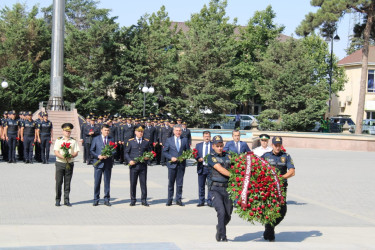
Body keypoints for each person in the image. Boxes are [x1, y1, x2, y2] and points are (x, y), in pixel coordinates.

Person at [260, 136, 295, 242]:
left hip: (281, 188)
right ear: (272, 145)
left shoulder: (286, 156)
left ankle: (268, 228)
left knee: (282, 211)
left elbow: (292, 172)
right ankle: (270, 234)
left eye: (279, 145)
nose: (278, 147)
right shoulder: (266, 156)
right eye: (276, 145)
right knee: (271, 210)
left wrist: (280, 178)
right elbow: (258, 169)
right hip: (269, 188)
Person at [206, 135, 232, 242]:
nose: (220, 148)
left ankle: (219, 227)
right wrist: (234, 176)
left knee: (228, 215)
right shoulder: (210, 157)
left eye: (221, 146)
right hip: (215, 189)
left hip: (228, 189)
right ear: (213, 146)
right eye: (217, 146)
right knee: (221, 211)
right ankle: (223, 235)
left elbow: (238, 165)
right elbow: (220, 169)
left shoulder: (229, 156)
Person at [53, 123, 80, 206]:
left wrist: (71, 156)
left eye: (69, 131)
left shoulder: (73, 141)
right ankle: (58, 199)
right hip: (60, 163)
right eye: (66, 131)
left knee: (67, 183)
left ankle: (66, 200)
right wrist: (62, 157)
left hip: (69, 163)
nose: (67, 132)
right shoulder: (59, 140)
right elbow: (56, 152)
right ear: (63, 131)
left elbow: (76, 152)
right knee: (58, 182)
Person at [163, 124, 190, 206]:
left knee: (179, 183)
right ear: (173, 131)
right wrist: (171, 157)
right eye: (177, 130)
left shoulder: (185, 140)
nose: (178, 132)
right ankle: (169, 200)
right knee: (171, 183)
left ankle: (178, 199)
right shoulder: (169, 140)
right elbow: (164, 151)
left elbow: (188, 152)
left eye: (179, 130)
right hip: (172, 165)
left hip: (181, 165)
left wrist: (185, 157)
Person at [124, 125, 151, 207]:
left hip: (143, 166)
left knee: (143, 183)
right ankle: (133, 200)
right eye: (139, 131)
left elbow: (150, 152)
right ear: (135, 132)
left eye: (142, 131)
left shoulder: (146, 141)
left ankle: (144, 200)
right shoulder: (131, 141)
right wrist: (129, 160)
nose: (140, 133)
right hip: (133, 166)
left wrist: (148, 157)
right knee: (133, 183)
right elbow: (126, 153)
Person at [90, 124, 115, 206]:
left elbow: (114, 150)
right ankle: (96, 199)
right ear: (101, 130)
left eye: (108, 130)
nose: (107, 132)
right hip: (98, 163)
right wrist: (98, 156)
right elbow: (92, 150)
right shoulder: (96, 139)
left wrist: (109, 154)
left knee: (107, 182)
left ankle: (106, 199)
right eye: (105, 130)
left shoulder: (111, 139)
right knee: (97, 182)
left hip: (108, 163)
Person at [194, 130, 213, 207]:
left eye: (208, 136)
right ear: (203, 137)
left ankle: (210, 201)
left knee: (210, 185)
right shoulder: (198, 145)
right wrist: (198, 158)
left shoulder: (213, 145)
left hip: (210, 168)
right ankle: (201, 201)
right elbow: (195, 154)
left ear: (210, 137)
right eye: (205, 136)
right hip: (201, 167)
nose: (207, 138)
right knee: (201, 185)